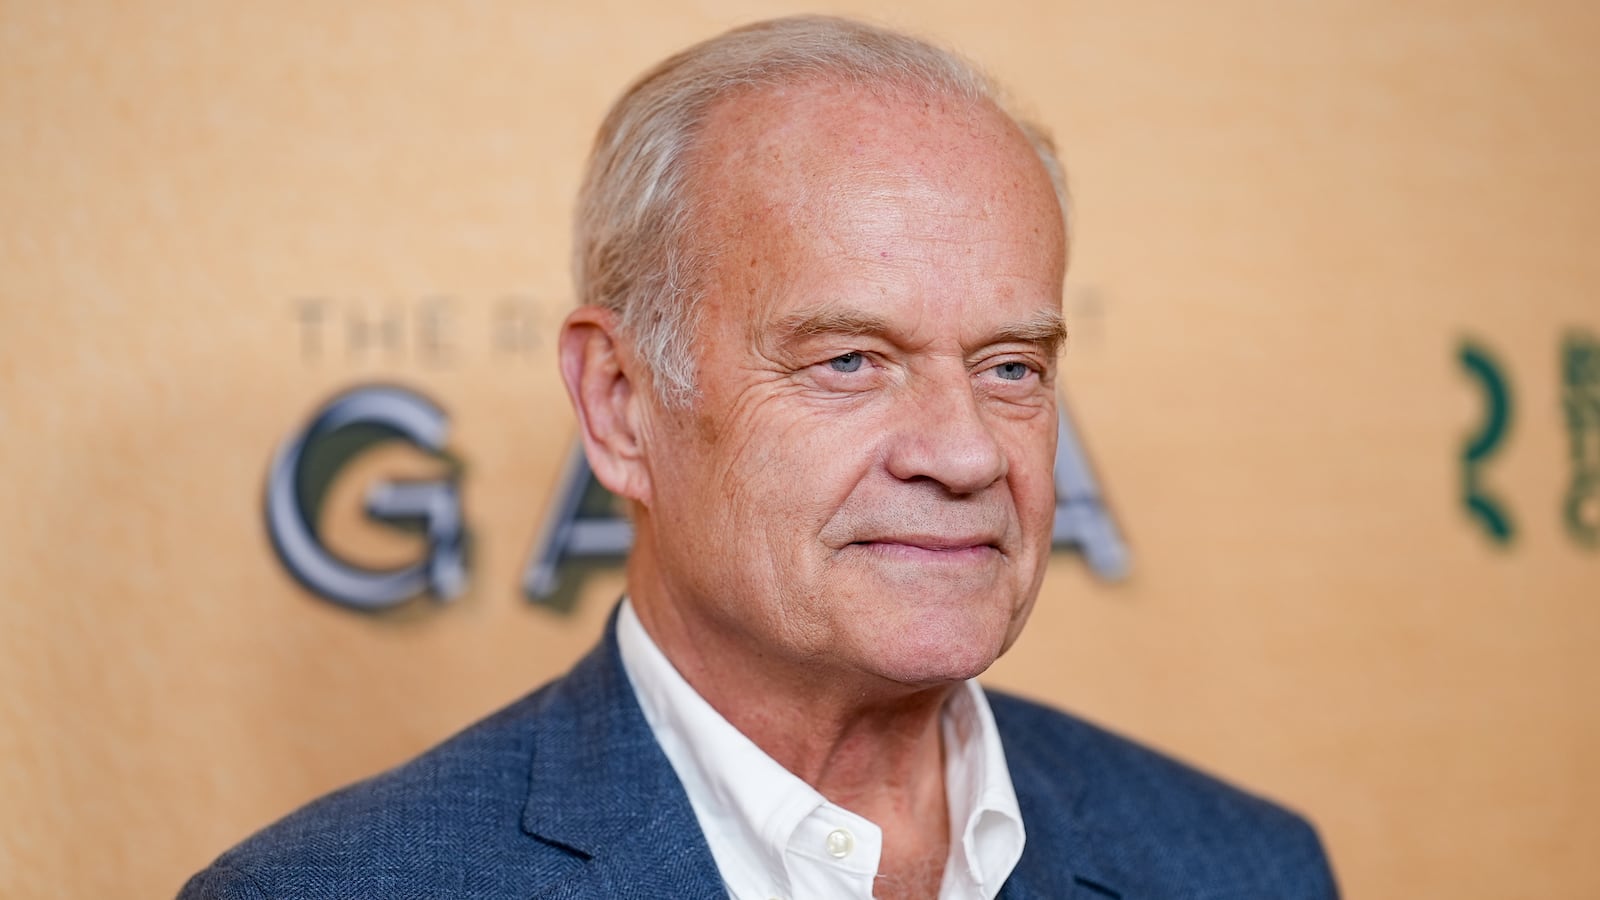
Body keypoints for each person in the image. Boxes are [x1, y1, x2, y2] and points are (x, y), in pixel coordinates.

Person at [182, 15, 1338, 899]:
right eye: (848, 360)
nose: (963, 452)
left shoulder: (1243, 866)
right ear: (622, 404)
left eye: (1010, 368)